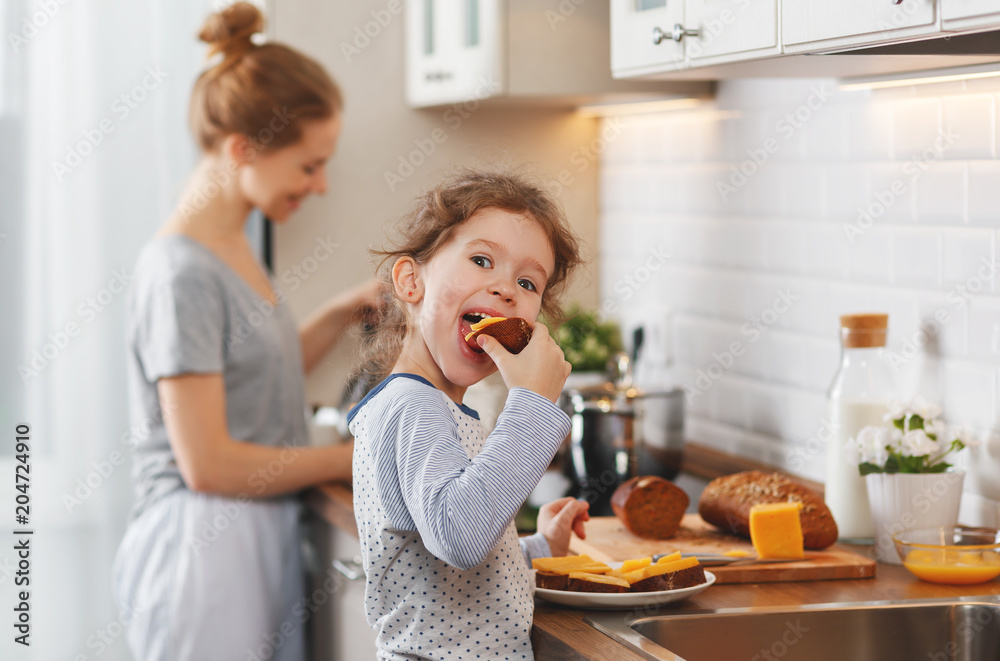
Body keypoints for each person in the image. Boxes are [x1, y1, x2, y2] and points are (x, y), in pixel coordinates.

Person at [112, 4, 375, 660]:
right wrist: (359, 460)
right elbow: (211, 463)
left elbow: (259, 362)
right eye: (309, 165)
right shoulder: (182, 270)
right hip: (202, 549)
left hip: (252, 532)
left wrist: (342, 310)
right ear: (242, 149)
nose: (319, 186)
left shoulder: (230, 243)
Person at [349, 169, 592, 660]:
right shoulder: (412, 406)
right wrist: (533, 405)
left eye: (527, 282)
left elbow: (458, 579)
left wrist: (539, 547)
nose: (506, 290)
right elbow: (458, 535)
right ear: (410, 281)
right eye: (482, 260)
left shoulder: (440, 408)